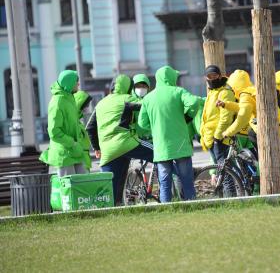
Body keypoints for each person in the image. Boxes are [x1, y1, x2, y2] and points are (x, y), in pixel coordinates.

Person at [86, 74, 153, 205]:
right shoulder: (128, 99)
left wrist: (97, 148)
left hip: (108, 151)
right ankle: (182, 185)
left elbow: (90, 127)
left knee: (110, 187)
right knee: (161, 155)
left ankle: (113, 207)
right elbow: (148, 105)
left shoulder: (101, 103)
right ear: (129, 87)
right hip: (126, 143)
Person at [138, 65, 199, 203]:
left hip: (161, 146)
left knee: (164, 183)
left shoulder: (148, 98)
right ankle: (193, 205)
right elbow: (194, 102)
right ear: (172, 77)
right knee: (186, 181)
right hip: (181, 145)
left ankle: (165, 208)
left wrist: (154, 126)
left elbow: (142, 123)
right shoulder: (178, 91)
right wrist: (188, 117)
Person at [217, 69, 280, 160]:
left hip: (274, 131)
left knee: (254, 136)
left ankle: (262, 160)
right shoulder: (253, 90)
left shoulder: (245, 95)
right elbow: (244, 108)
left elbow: (242, 118)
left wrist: (228, 132)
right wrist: (226, 104)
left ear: (235, 86)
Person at [39, 70, 87, 176]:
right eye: (76, 81)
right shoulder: (57, 102)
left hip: (74, 151)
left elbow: (70, 122)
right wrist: (72, 143)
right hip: (64, 154)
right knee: (69, 190)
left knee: (83, 187)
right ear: (69, 83)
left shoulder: (69, 98)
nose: (78, 84)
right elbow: (54, 131)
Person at [199, 65, 237, 197]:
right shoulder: (212, 91)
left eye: (215, 76)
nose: (212, 78)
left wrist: (217, 137)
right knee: (220, 172)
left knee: (225, 172)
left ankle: (231, 198)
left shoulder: (224, 92)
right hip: (211, 138)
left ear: (220, 76)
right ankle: (223, 198)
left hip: (220, 138)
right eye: (209, 77)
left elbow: (225, 118)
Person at [73, 90, 93, 172]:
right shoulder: (74, 121)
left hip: (83, 159)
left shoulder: (77, 120)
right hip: (80, 160)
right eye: (86, 105)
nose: (87, 107)